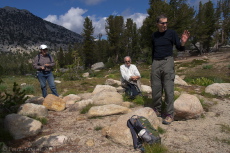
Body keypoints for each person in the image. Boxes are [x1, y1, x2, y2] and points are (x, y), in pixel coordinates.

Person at [151, 15, 190, 125]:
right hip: (155, 62)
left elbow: (179, 47)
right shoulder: (154, 35)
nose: (165, 25)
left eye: (166, 23)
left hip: (167, 61)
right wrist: (153, 63)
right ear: (157, 24)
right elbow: (153, 50)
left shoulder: (171, 33)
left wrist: (183, 41)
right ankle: (157, 109)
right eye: (162, 23)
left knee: (168, 89)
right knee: (156, 88)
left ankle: (169, 114)